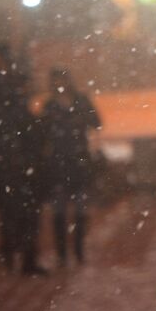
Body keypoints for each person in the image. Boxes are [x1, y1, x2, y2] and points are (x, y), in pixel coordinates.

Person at [0, 43, 46, 275]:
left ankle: (19, 256)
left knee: (21, 210)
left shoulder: (5, 87)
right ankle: (16, 255)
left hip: (16, 159)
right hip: (6, 160)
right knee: (13, 210)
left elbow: (20, 122)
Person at [41, 68, 101, 267]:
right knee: (59, 212)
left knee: (80, 211)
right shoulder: (50, 105)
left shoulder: (80, 101)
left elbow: (97, 122)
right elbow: (42, 133)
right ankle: (62, 253)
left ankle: (78, 250)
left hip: (78, 163)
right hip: (59, 165)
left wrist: (80, 118)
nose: (60, 84)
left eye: (62, 79)